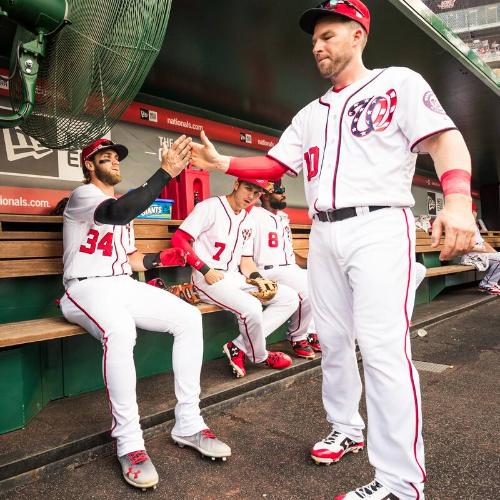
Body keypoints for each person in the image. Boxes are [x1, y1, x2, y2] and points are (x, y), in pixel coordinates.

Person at [189, 1, 477, 498]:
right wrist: (224, 161)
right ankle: (346, 427)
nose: (317, 45)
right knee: (335, 345)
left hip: (379, 225)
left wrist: (456, 200)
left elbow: (445, 140)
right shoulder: (308, 114)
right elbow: (274, 166)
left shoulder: (398, 82)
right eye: (314, 39)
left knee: (384, 352)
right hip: (324, 233)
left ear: (358, 34)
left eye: (328, 34)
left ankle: (401, 482)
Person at [59, 136, 231, 491]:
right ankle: (130, 443)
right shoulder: (84, 196)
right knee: (121, 331)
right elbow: (118, 212)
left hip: (121, 283)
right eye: (105, 158)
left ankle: (188, 422)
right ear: (90, 166)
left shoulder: (123, 205)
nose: (114, 163)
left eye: (116, 157)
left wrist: (161, 260)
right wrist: (166, 172)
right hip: (85, 287)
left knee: (189, 317)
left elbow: (130, 260)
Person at [171, 178, 299, 378]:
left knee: (290, 297)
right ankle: (260, 356)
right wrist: (204, 269)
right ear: (236, 185)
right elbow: (179, 239)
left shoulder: (248, 219)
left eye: (257, 193)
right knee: (252, 309)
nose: (251, 196)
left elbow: (246, 261)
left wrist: (258, 278)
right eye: (248, 189)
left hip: (234, 277)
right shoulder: (210, 207)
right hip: (207, 278)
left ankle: (238, 346)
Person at [250, 179, 321, 358]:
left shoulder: (283, 217)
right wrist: (259, 190)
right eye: (279, 191)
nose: (284, 194)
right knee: (309, 288)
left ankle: (311, 331)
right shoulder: (253, 214)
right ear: (264, 194)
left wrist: (313, 263)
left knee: (322, 282)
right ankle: (297, 336)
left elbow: (290, 254)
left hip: (288, 268)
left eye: (283, 190)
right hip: (265, 270)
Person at [460, 203, 500, 295]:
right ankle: (487, 284)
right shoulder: (464, 226)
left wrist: (495, 254)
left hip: (478, 255)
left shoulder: (473, 225)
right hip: (470, 257)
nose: (475, 213)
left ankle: (491, 283)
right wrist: (482, 249)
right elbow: (466, 247)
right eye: (474, 211)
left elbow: (483, 243)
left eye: (474, 211)